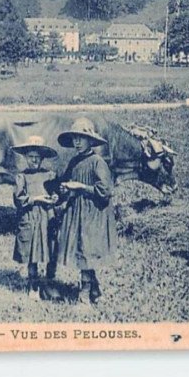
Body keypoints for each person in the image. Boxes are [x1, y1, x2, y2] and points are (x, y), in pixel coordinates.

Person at [54, 117, 117, 304]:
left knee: (86, 250)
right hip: (77, 212)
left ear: (90, 140)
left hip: (94, 213)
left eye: (81, 138)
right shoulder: (74, 162)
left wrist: (81, 187)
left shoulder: (98, 162)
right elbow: (66, 182)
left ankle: (84, 296)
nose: (77, 142)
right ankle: (95, 290)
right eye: (75, 138)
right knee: (82, 249)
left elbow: (105, 191)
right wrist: (64, 189)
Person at [11, 135, 58, 298]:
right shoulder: (21, 177)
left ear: (42, 158)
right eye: (31, 157)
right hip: (30, 218)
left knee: (51, 250)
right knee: (33, 253)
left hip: (47, 217)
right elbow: (18, 199)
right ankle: (34, 287)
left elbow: (56, 192)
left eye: (37, 157)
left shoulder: (50, 175)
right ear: (25, 158)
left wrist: (55, 198)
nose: (34, 160)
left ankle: (50, 283)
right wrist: (36, 198)